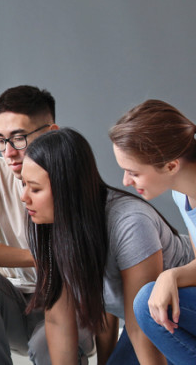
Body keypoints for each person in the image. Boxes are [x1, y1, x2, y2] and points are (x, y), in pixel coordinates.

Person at [21, 127, 193, 365]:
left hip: (178, 316)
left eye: (35, 188)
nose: (24, 197)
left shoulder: (130, 223)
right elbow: (59, 321)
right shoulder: (54, 225)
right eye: (24, 185)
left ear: (67, 189)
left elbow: (141, 326)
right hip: (154, 320)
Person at [0, 84, 93, 364]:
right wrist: (38, 259)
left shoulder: (77, 177)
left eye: (18, 138)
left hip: (72, 308)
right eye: (1, 140)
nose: (8, 152)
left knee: (48, 345)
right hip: (17, 304)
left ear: (52, 132)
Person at [110, 99, 196, 364]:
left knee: (147, 303)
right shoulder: (183, 196)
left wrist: (172, 275)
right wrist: (172, 276)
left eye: (133, 172)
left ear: (171, 166)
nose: (125, 181)